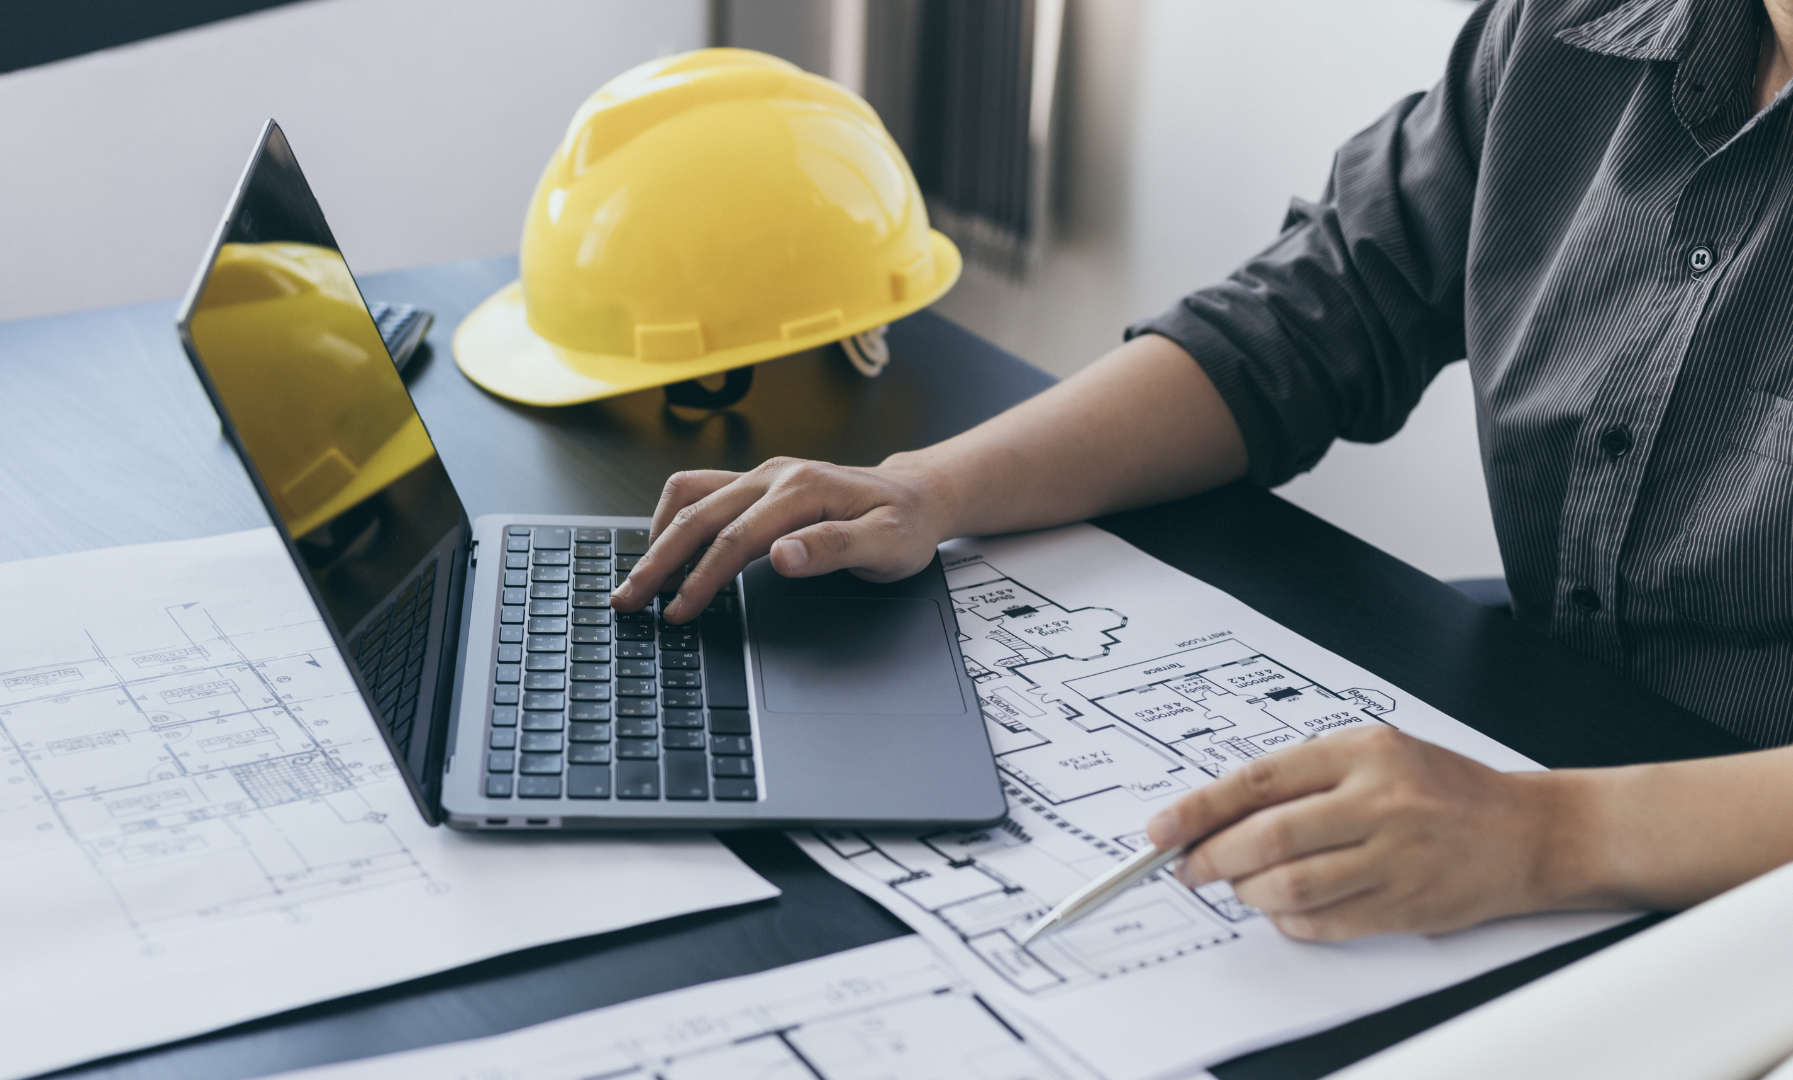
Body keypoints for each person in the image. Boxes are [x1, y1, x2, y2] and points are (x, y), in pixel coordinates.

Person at [613, 0, 1793, 942]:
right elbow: (1315, 312)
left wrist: (1549, 840)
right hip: (1562, 705)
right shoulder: (1567, 29)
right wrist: (932, 487)